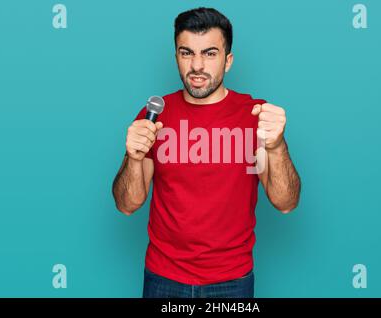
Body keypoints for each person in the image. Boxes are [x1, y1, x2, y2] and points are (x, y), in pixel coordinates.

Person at [112, 7, 301, 298]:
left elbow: (286, 202)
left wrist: (276, 147)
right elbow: (127, 204)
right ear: (175, 56)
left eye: (209, 53)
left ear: (228, 61)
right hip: (163, 277)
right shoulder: (154, 115)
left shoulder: (255, 115)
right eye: (186, 53)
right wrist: (133, 158)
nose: (197, 65)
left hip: (232, 280)